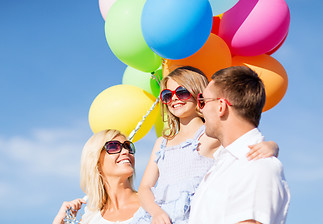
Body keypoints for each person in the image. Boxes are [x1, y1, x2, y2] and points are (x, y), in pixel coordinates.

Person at [132, 66, 279, 224]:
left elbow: (241, 142)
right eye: (167, 95)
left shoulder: (210, 135)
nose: (174, 98)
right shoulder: (162, 142)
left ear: (198, 94)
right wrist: (156, 212)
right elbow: (144, 188)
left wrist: (272, 146)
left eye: (181, 92)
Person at [189, 66, 290, 224]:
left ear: (221, 106)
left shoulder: (256, 167)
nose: (200, 109)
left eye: (203, 101)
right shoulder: (224, 164)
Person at [53, 129, 141, 224]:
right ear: (96, 161)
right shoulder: (90, 219)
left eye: (128, 147)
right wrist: (59, 221)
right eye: (114, 147)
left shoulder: (153, 201)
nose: (125, 151)